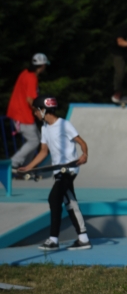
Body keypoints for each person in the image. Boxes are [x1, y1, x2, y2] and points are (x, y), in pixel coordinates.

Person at [18, 95, 91, 250]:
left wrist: (84, 155)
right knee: (70, 202)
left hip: (69, 169)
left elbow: (82, 142)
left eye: (36, 111)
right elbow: (43, 152)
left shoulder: (64, 124)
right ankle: (83, 238)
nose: (34, 114)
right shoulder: (44, 128)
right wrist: (29, 166)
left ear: (43, 110)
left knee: (54, 199)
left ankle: (53, 239)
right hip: (58, 171)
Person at [6, 53, 49, 169]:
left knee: (37, 139)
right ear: (43, 65)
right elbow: (30, 99)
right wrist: (40, 112)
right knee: (34, 141)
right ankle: (13, 163)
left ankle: (27, 166)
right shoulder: (31, 78)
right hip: (22, 114)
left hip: (19, 112)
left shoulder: (25, 73)